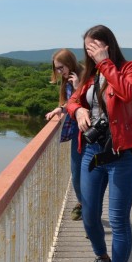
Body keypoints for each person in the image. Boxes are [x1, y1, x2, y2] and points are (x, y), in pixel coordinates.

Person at [65, 25, 132, 262]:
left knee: (119, 221)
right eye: (87, 48)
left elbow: (127, 93)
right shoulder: (89, 75)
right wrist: (79, 110)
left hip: (121, 156)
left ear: (108, 45)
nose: (91, 52)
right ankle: (101, 256)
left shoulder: (128, 68)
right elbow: (71, 101)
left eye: (95, 46)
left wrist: (104, 62)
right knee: (88, 215)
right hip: (92, 154)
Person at [44, 49, 83, 221]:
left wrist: (77, 88)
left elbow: (90, 103)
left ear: (70, 62)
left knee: (89, 175)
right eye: (57, 69)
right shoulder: (67, 79)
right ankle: (83, 204)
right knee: (76, 173)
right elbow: (70, 103)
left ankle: (88, 211)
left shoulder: (84, 76)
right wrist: (60, 108)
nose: (59, 72)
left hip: (90, 133)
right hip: (77, 131)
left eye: (61, 68)